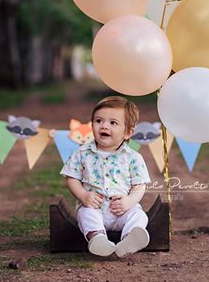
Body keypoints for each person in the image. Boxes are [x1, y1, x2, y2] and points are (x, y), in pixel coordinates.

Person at [60, 96, 151, 257]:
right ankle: (98, 239)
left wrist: (129, 201)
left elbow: (139, 186)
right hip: (95, 208)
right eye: (98, 121)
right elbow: (71, 177)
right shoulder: (82, 153)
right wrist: (83, 195)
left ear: (128, 132)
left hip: (122, 209)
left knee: (138, 215)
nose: (104, 126)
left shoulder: (133, 157)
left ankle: (130, 239)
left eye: (113, 123)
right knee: (86, 214)